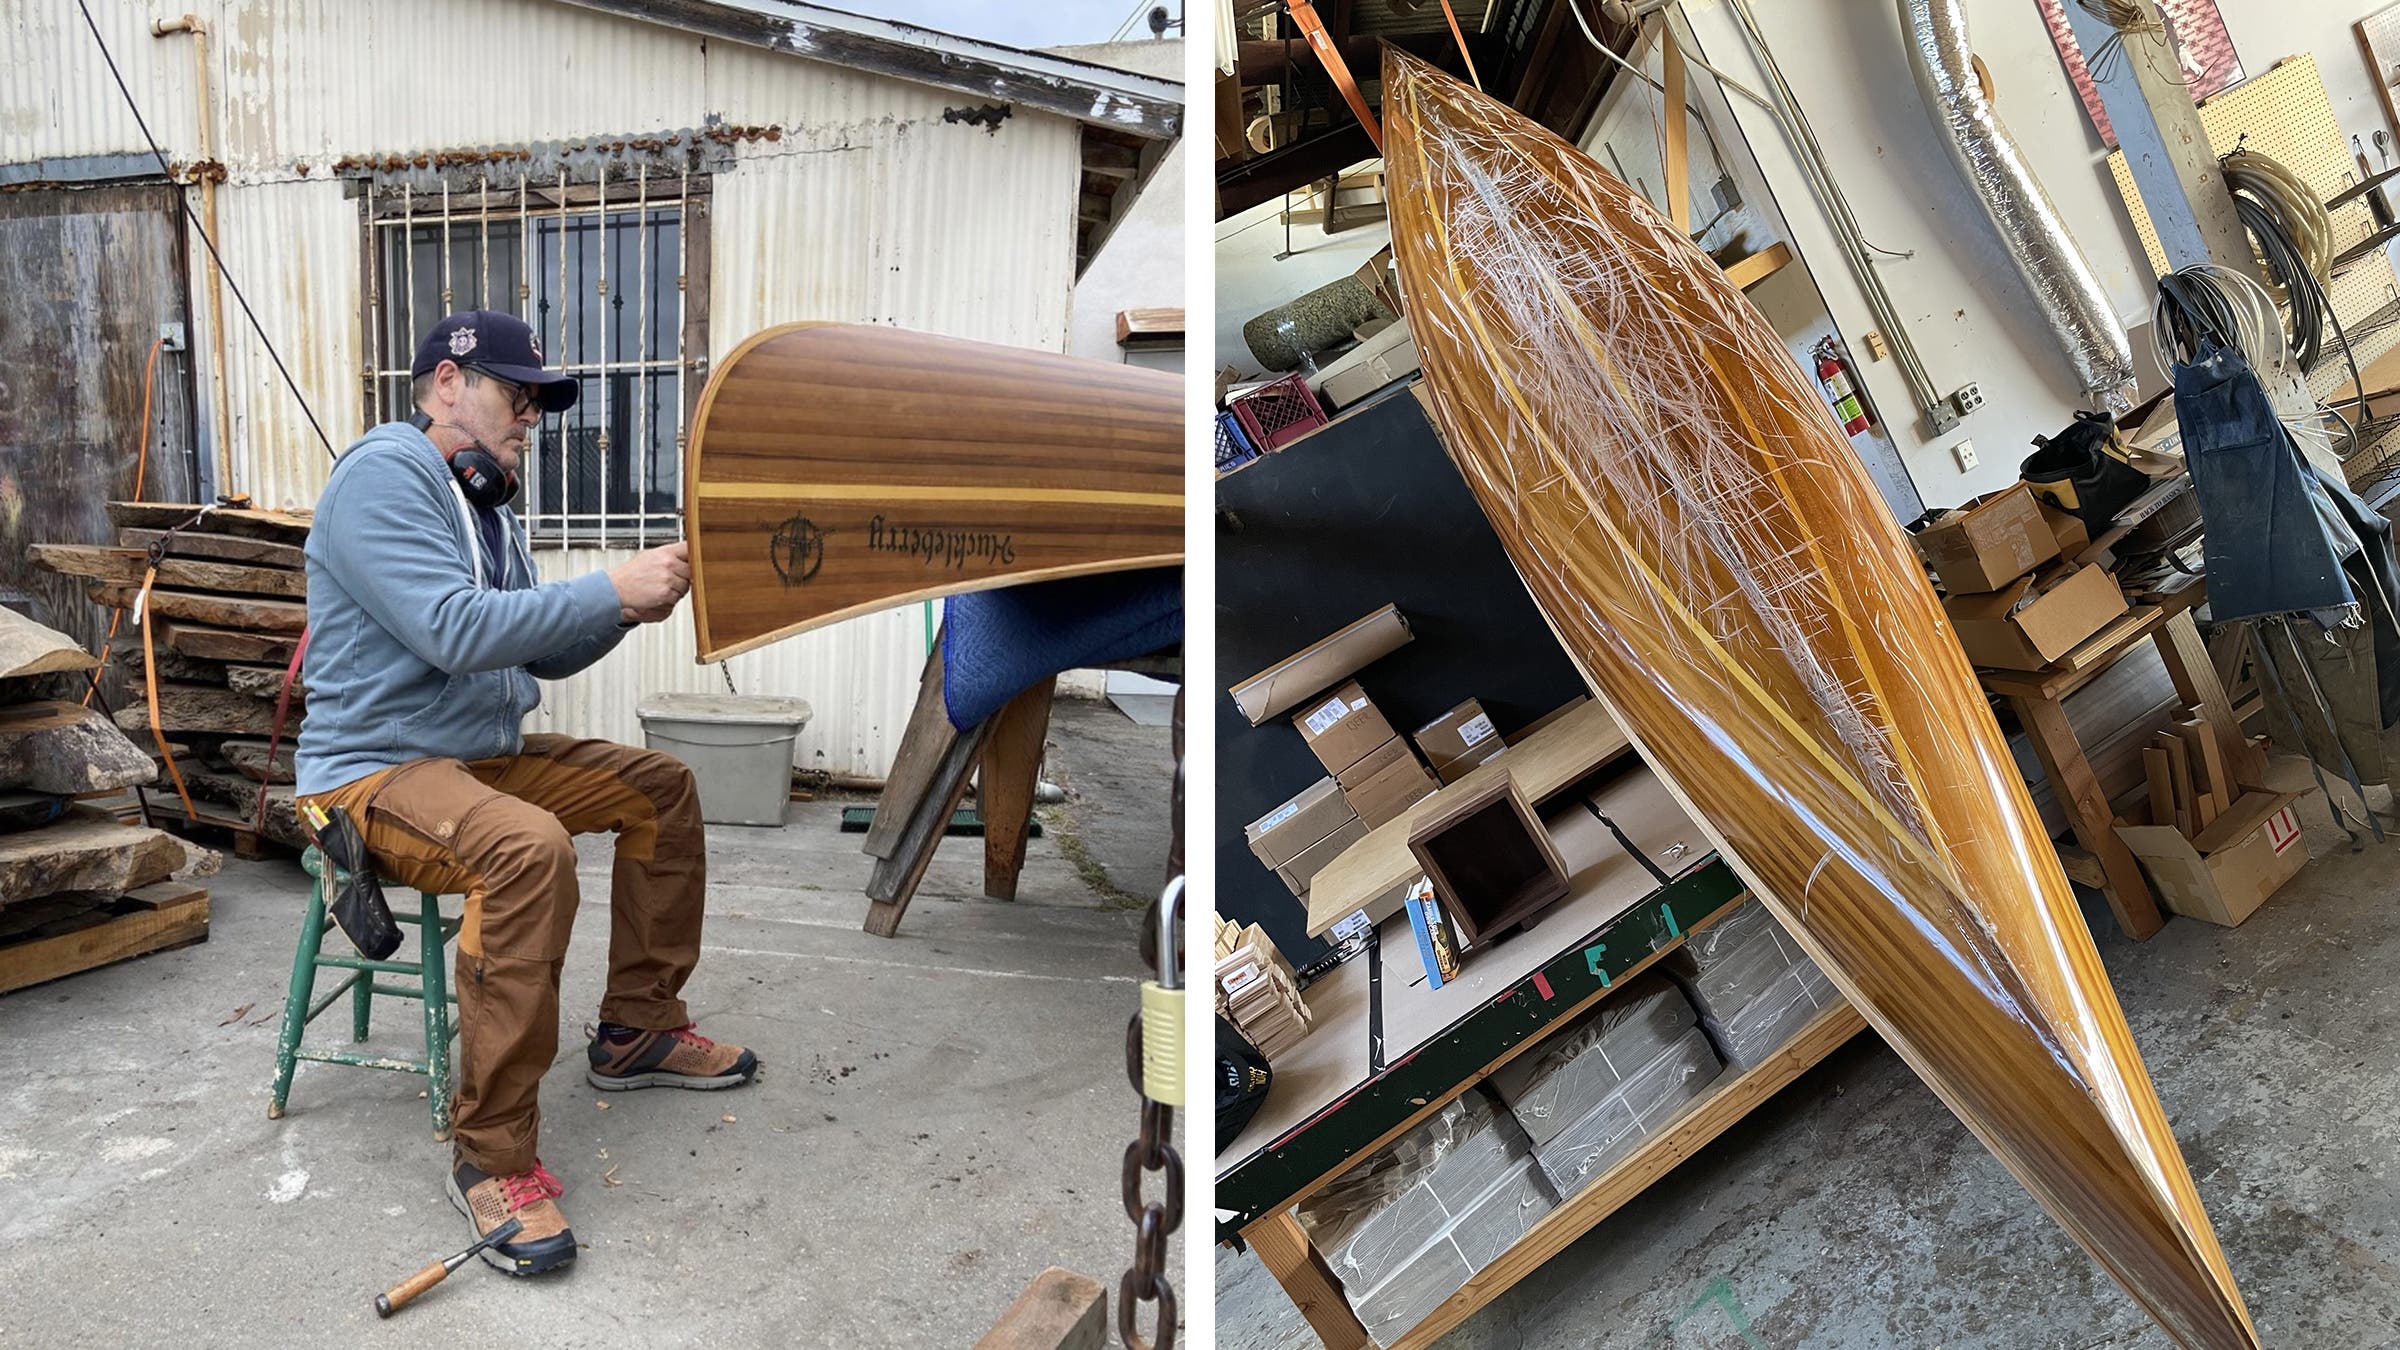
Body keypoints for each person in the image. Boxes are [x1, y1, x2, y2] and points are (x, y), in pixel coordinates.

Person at [295, 309, 758, 1277]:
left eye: (539, 402)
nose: (532, 419)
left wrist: (631, 607)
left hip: (474, 755)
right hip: (375, 770)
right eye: (518, 396)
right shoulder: (382, 477)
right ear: (446, 386)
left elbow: (537, 647)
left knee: (660, 787)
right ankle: (492, 1155)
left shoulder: (488, 506)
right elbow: (455, 629)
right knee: (528, 846)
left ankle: (637, 1029)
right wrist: (607, 585)